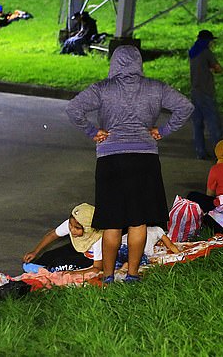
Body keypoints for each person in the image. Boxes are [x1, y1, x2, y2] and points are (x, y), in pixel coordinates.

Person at [66, 45, 194, 284]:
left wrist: (93, 131)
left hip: (110, 159)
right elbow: (185, 107)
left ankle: (107, 276)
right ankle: (133, 275)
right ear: (139, 63)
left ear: (114, 63)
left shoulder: (103, 89)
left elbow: (74, 109)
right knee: (138, 221)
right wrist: (163, 130)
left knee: (112, 222)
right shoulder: (156, 88)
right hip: (144, 159)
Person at [22, 203, 103, 274]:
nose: (72, 229)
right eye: (70, 225)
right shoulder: (73, 223)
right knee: (48, 255)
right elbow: (52, 235)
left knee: (62, 264)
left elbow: (97, 268)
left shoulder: (98, 240)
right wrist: (35, 252)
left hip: (92, 260)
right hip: (81, 251)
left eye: (77, 228)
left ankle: (49, 270)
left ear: (88, 229)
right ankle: (42, 268)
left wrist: (75, 273)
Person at [189, 29, 223, 159]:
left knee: (198, 124)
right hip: (206, 92)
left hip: (195, 91)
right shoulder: (206, 53)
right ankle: (219, 153)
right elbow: (218, 68)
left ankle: (200, 152)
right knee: (214, 124)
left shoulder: (193, 52)